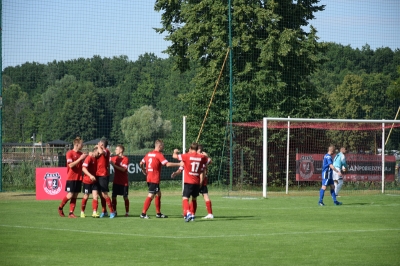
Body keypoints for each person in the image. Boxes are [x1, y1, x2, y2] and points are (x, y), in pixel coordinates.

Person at [139, 139, 181, 219]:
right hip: (154, 178)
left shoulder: (149, 154)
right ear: (159, 146)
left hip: (149, 177)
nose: (163, 147)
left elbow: (141, 163)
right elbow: (167, 164)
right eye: (163, 146)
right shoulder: (159, 154)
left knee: (158, 193)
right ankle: (143, 214)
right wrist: (179, 164)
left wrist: (143, 169)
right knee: (151, 194)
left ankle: (158, 213)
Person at [171, 144, 213, 219]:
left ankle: (188, 212)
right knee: (194, 198)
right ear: (197, 149)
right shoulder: (201, 157)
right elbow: (210, 161)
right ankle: (193, 214)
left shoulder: (187, 156)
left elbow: (174, 156)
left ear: (190, 148)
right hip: (197, 181)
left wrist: (175, 151)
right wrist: (206, 155)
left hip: (189, 181)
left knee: (185, 198)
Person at [58, 137, 87, 218]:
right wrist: (80, 159)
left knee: (75, 195)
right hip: (71, 177)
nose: (83, 145)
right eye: (81, 144)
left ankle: (71, 213)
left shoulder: (81, 154)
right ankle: (60, 208)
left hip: (78, 178)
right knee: (70, 195)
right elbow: (70, 165)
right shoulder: (69, 153)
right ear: (77, 144)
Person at [96, 138, 116, 218]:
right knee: (101, 194)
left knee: (104, 194)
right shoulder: (100, 151)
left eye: (100, 143)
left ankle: (112, 211)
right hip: (98, 174)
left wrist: (98, 146)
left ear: (102, 144)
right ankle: (104, 211)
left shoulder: (106, 151)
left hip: (103, 174)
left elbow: (101, 152)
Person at [110, 144, 130, 217]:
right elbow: (106, 159)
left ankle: (127, 212)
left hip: (124, 182)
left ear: (121, 150)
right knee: (114, 196)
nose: (115, 150)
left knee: (125, 197)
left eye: (116, 149)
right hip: (116, 181)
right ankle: (114, 211)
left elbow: (123, 169)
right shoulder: (114, 158)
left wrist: (114, 165)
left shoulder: (125, 159)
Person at [81, 146, 100, 218]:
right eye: (98, 152)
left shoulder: (97, 158)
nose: (99, 154)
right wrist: (90, 176)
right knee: (86, 196)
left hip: (94, 181)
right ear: (95, 151)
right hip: (87, 181)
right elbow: (83, 168)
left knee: (95, 196)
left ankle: (94, 212)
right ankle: (82, 212)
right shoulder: (89, 157)